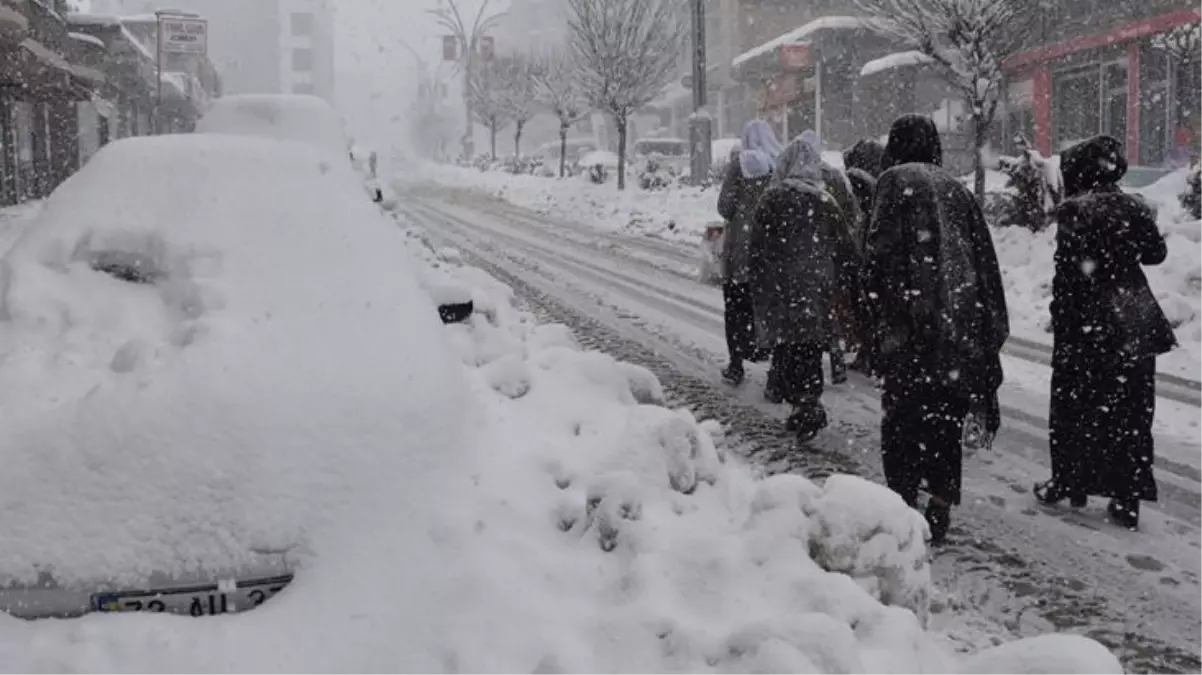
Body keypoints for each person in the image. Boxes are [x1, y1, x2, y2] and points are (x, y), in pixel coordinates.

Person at [864, 115, 1009, 544]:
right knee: (944, 420)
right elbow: (984, 264)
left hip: (911, 329)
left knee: (903, 421)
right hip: (957, 331)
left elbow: (878, 255)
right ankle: (941, 502)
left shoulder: (892, 181)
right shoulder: (956, 189)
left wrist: (878, 315)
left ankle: (903, 505)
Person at [1034, 135, 1177, 530]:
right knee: (1131, 411)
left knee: (1072, 406)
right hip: (1134, 319)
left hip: (1088, 322)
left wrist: (1063, 318)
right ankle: (1127, 496)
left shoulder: (1075, 211)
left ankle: (1069, 481)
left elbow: (1068, 276)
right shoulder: (1133, 207)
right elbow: (1156, 254)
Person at [750, 135, 860, 440]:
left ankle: (800, 402)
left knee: (786, 346)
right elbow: (846, 250)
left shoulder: (772, 199)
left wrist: (761, 286)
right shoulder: (825, 202)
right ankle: (808, 400)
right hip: (817, 290)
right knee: (809, 348)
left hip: (781, 290)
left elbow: (758, 250)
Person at [717, 121, 783, 385]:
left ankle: (736, 365)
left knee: (735, 310)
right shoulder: (778, 165)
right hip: (769, 252)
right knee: (771, 311)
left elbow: (724, 207)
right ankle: (775, 372)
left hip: (740, 252)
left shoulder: (739, 166)